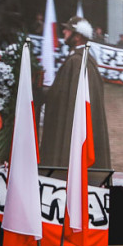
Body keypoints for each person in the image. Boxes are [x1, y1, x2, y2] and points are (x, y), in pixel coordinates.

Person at [39, 17, 112, 170]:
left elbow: (60, 96)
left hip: (73, 136)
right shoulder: (85, 60)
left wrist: (38, 91)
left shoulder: (76, 62)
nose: (64, 32)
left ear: (77, 36)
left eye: (68, 30)